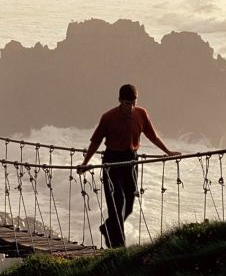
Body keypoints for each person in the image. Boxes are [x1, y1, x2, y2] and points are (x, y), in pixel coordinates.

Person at [76, 83, 181, 248]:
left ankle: (108, 228)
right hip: (112, 161)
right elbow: (96, 141)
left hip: (131, 160)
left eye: (134, 102)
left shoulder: (141, 113)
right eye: (127, 103)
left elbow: (152, 136)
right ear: (119, 100)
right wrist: (85, 163)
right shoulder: (108, 117)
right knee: (118, 201)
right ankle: (119, 247)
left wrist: (167, 152)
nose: (131, 106)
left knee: (130, 203)